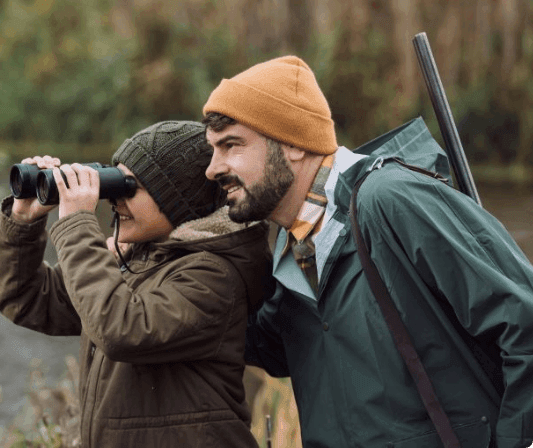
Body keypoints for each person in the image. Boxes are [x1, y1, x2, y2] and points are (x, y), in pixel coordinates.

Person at [201, 55, 533, 448]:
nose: (213, 168)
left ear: (290, 143)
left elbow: (523, 321)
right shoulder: (290, 249)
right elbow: (260, 348)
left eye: (231, 146)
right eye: (212, 150)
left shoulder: (389, 200)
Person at [0, 121, 273, 448]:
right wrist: (25, 220)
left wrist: (78, 226)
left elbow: (122, 329)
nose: (114, 199)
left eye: (129, 187)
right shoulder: (139, 261)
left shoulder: (215, 275)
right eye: (114, 182)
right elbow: (25, 299)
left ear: (179, 201)